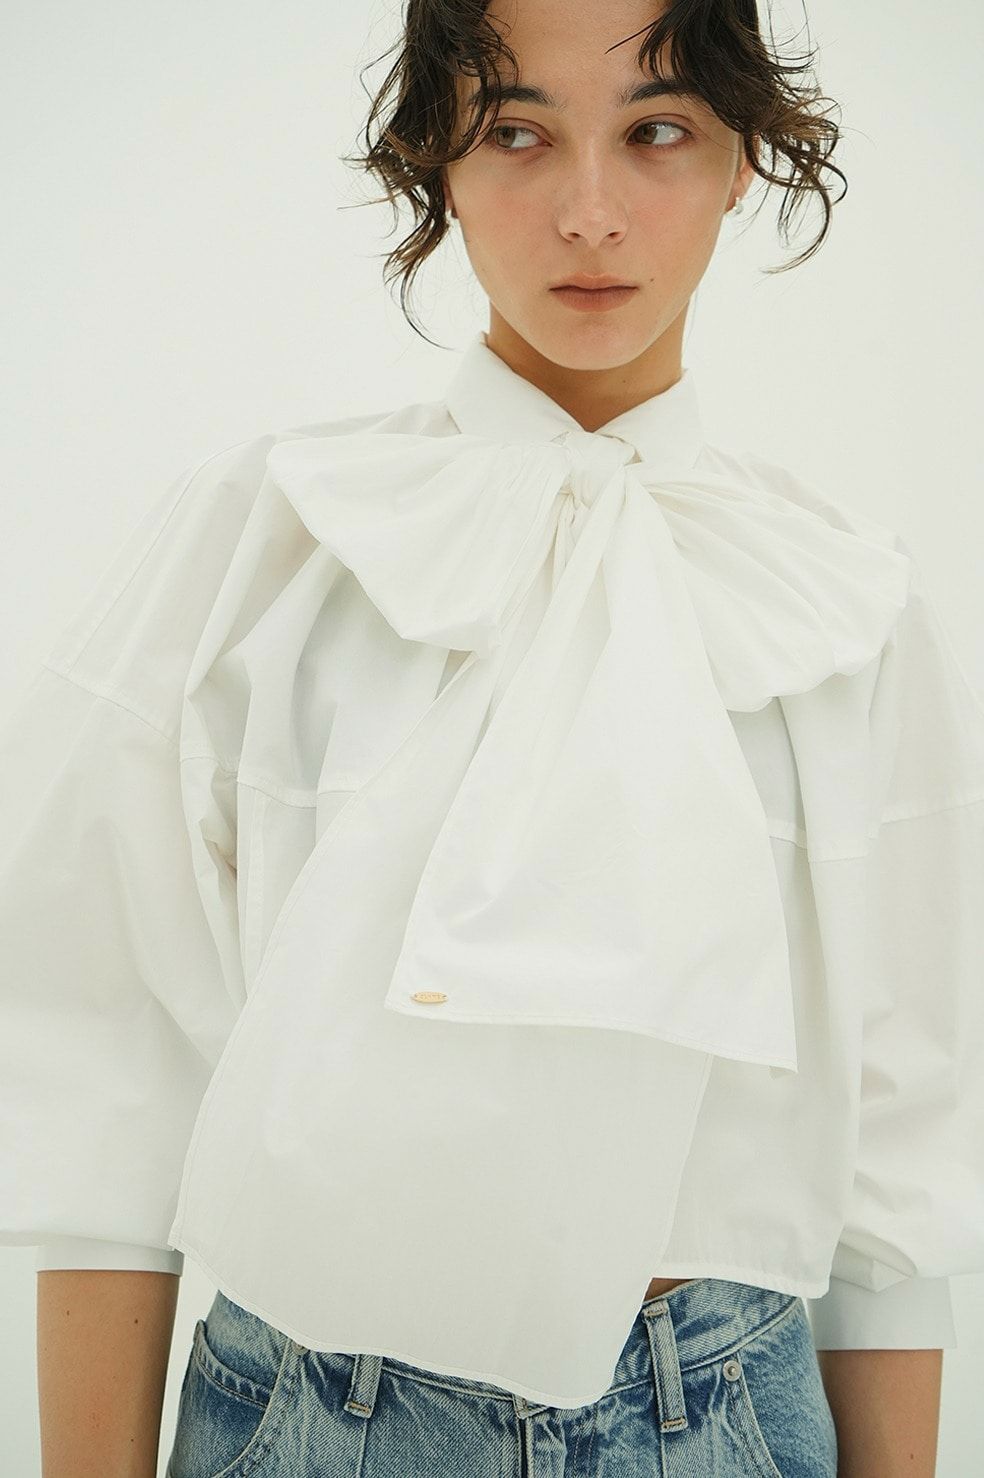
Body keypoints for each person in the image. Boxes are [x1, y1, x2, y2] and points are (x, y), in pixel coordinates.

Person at [4, 2, 982, 1475]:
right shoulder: (268, 544)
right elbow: (105, 1084)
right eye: (518, 133)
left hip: (717, 1416)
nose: (589, 212)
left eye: (657, 131)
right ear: (437, 160)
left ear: (742, 161)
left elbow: (902, 1141)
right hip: (312, 1415)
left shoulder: (844, 604)